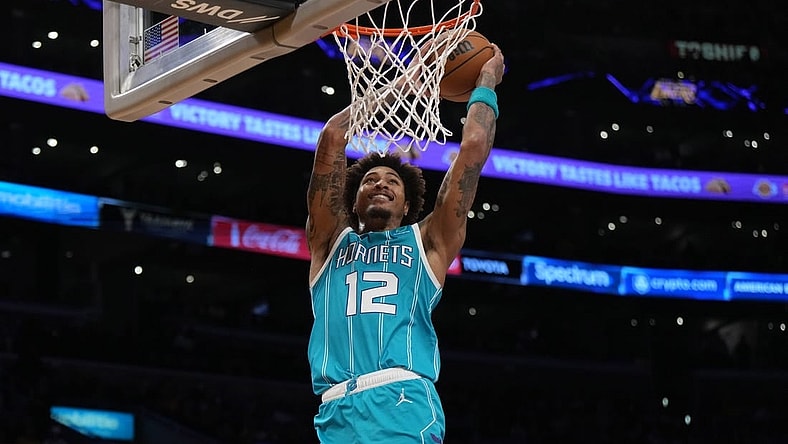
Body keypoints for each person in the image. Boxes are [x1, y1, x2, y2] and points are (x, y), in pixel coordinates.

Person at [305, 40, 505, 443]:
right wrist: (404, 85)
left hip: (401, 399)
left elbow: (472, 148)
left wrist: (485, 81)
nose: (380, 183)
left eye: (392, 181)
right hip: (334, 411)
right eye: (369, 180)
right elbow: (332, 136)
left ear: (408, 203)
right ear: (352, 200)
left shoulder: (428, 240)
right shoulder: (329, 241)